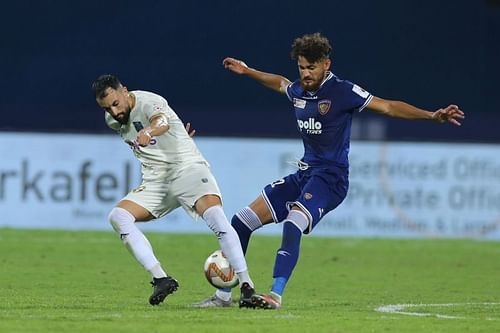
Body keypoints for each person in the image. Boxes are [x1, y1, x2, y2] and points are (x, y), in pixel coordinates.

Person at [196, 32, 465, 309]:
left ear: (326, 64)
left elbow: (387, 106)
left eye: (311, 67)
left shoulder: (343, 91)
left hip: (331, 179)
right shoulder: (298, 90)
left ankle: (274, 295)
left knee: (293, 222)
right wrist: (248, 71)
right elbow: (280, 83)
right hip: (305, 174)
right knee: (241, 221)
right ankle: (224, 297)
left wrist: (431, 116)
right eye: (301, 67)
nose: (305, 73)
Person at [91, 74, 257, 307]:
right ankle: (161, 278)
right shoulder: (112, 120)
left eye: (115, 103)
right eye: (107, 108)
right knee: (118, 216)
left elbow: (162, 122)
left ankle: (247, 286)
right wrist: (176, 137)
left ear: (125, 91)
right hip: (157, 181)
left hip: (186, 168)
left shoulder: (149, 101)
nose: (114, 112)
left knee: (215, 216)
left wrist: (150, 132)